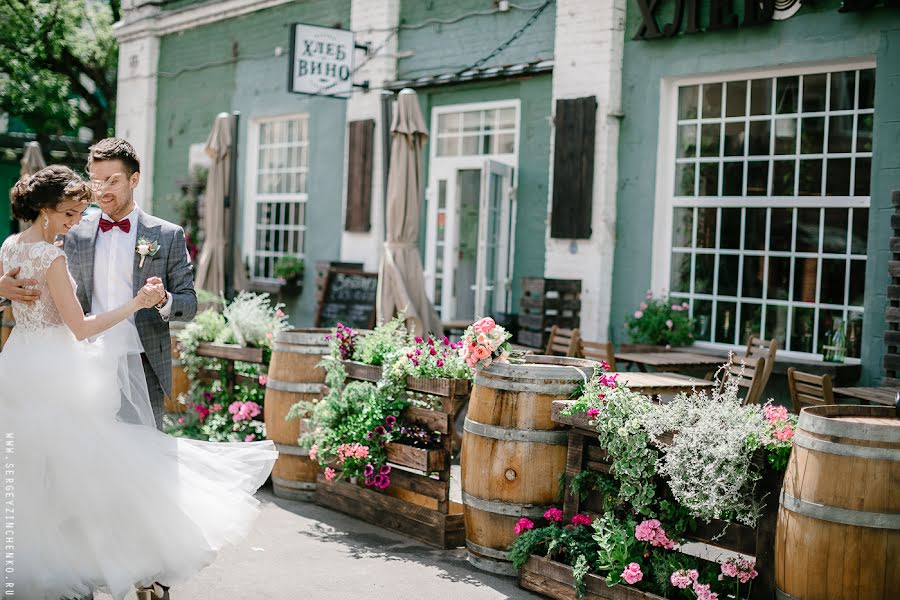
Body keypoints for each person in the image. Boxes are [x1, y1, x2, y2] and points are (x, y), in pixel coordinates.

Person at [0, 166, 277, 600]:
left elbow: (187, 299)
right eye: (71, 212)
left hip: (21, 363)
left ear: (134, 178)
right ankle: (91, 568)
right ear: (48, 209)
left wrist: (161, 300)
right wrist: (135, 303)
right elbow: (80, 327)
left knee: (33, 469)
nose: (76, 220)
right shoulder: (55, 253)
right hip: (63, 369)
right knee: (97, 470)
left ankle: (45, 565)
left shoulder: (12, 244)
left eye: (80, 210)